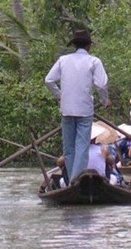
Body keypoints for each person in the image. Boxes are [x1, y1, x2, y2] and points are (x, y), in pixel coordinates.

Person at [45, 29, 108, 183]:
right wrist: (104, 101)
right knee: (82, 147)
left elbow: (49, 80)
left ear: (74, 45)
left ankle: (70, 182)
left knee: (69, 148)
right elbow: (101, 84)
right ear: (89, 46)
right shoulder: (94, 61)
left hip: (66, 109)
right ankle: (76, 180)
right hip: (85, 110)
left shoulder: (63, 60)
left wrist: (60, 96)